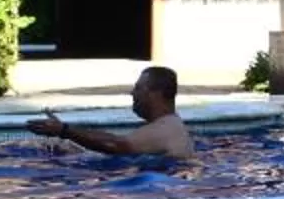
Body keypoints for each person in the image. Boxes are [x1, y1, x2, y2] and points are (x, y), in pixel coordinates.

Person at [27, 65, 193, 158]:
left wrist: (64, 131)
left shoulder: (165, 129)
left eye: (138, 88)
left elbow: (115, 145)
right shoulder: (169, 125)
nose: (132, 94)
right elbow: (118, 140)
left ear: (156, 94)